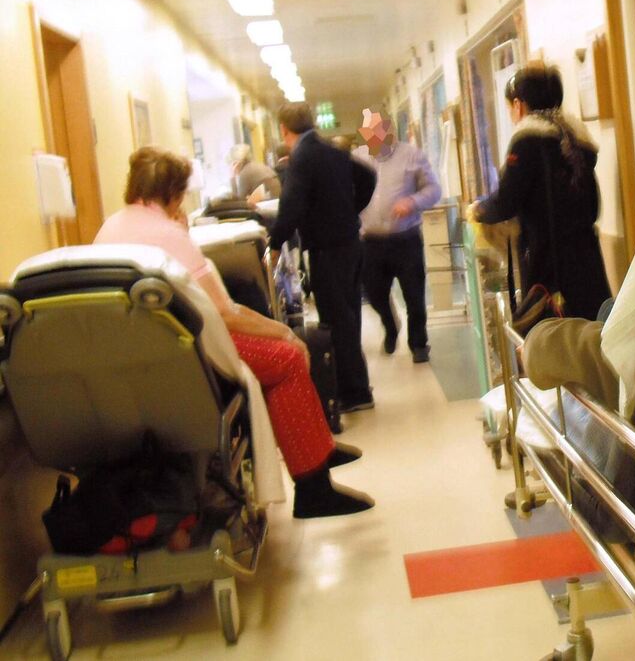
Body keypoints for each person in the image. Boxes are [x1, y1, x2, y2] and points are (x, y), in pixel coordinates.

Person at [94, 147, 374, 519]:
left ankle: (318, 449)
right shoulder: (167, 233)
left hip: (141, 355)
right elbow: (226, 313)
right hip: (187, 355)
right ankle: (313, 488)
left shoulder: (110, 226)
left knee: (280, 351)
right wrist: (283, 333)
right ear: (174, 193)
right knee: (287, 358)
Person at [470, 65, 611, 321]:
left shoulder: (527, 140)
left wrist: (479, 210)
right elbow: (593, 205)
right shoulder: (577, 139)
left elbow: (505, 203)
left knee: (552, 338)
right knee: (591, 328)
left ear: (519, 104)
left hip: (548, 260)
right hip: (586, 255)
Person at [270, 102, 376, 413]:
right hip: (349, 244)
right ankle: (357, 387)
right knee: (350, 316)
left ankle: (355, 393)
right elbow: (368, 176)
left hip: (328, 249)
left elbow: (290, 205)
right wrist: (350, 210)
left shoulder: (302, 158)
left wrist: (276, 242)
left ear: (284, 131)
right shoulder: (332, 149)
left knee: (336, 320)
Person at [358, 109, 442, 360]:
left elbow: (434, 189)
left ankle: (418, 344)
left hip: (405, 239)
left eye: (374, 131)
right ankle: (390, 325)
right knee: (374, 293)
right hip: (371, 241)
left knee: (414, 295)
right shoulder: (359, 158)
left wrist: (413, 201)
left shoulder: (411, 155)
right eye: (366, 131)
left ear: (388, 130)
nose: (369, 136)